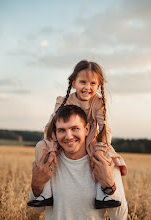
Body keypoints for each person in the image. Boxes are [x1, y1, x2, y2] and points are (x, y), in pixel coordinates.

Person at [27, 60, 127, 209]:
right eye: (82, 82)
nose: (87, 87)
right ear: (73, 83)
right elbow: (54, 126)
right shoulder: (64, 101)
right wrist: (53, 150)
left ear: (98, 86)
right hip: (61, 142)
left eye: (93, 83)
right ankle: (45, 193)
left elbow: (104, 126)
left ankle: (103, 194)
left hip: (91, 139)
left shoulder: (98, 102)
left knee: (103, 156)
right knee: (41, 146)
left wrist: (102, 147)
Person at [28, 105, 128, 220]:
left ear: (86, 129)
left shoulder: (105, 162)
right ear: (55, 132)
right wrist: (36, 185)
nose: (69, 136)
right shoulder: (49, 162)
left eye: (75, 128)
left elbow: (120, 217)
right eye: (62, 130)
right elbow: (38, 209)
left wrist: (109, 184)